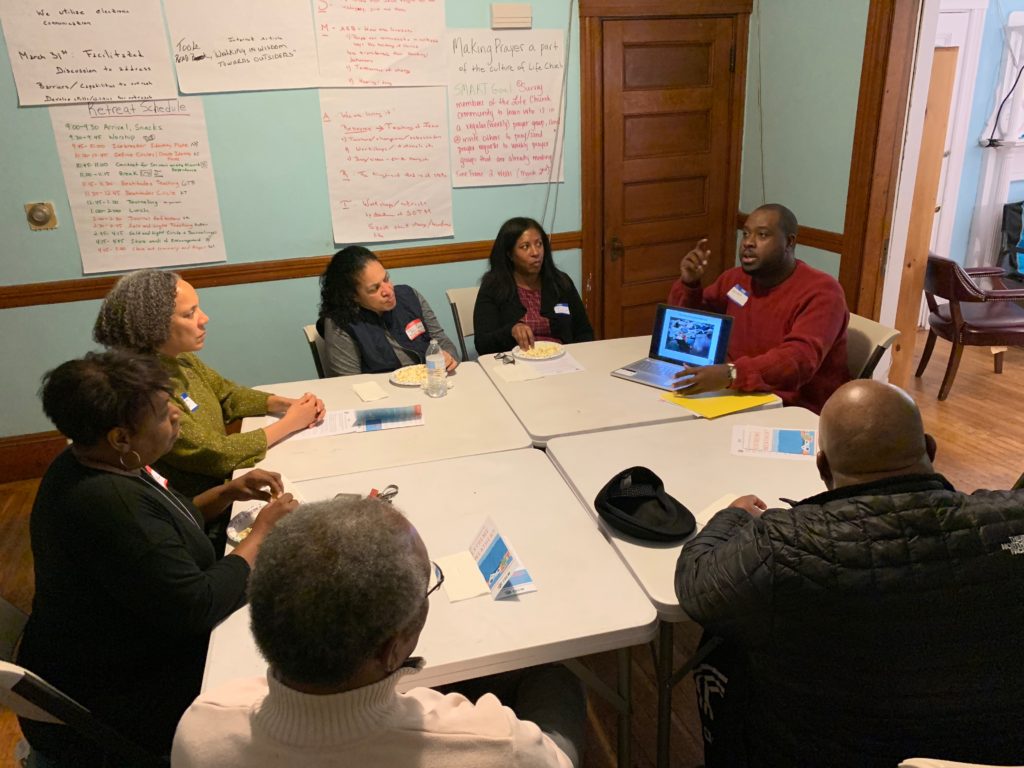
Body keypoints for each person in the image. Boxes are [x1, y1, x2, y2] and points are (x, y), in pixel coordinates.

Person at [674, 380, 1024, 768]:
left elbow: (697, 585)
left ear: (822, 466)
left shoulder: (783, 544)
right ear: (930, 449)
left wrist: (733, 516)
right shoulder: (1013, 524)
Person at [17, 351, 299, 767]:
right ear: (120, 438)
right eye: (166, 415)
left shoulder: (91, 462)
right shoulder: (108, 505)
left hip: (112, 654)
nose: (178, 419)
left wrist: (226, 493)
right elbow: (198, 604)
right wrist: (261, 535)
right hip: (121, 698)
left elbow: (165, 524)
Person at [173, 497, 583, 768]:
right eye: (425, 592)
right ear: (393, 649)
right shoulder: (496, 745)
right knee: (554, 677)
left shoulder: (200, 727)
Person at [94, 269, 324, 496]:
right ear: (152, 326)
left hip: (228, 486)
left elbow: (228, 394)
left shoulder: (179, 358)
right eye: (189, 314)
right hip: (203, 503)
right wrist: (291, 423)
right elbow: (217, 455)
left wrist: (287, 404)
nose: (204, 319)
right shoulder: (144, 390)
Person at [668, 204, 849, 413]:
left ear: (789, 242)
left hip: (792, 407)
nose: (748, 243)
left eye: (762, 235)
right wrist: (690, 285)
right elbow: (690, 324)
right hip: (736, 393)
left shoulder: (822, 292)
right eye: (745, 234)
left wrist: (732, 374)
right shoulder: (736, 279)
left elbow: (798, 360)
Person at [317, 246, 459, 376]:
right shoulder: (340, 323)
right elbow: (350, 383)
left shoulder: (409, 296)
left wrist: (448, 357)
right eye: (374, 289)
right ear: (352, 296)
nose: (388, 291)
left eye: (386, 279)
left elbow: (443, 342)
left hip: (430, 384)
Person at [474, 217, 594, 354]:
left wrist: (577, 356)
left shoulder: (560, 282)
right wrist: (510, 331)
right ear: (509, 254)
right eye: (525, 247)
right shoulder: (494, 287)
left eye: (539, 244)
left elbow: (584, 332)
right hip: (516, 364)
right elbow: (482, 344)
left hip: (561, 360)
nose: (536, 253)